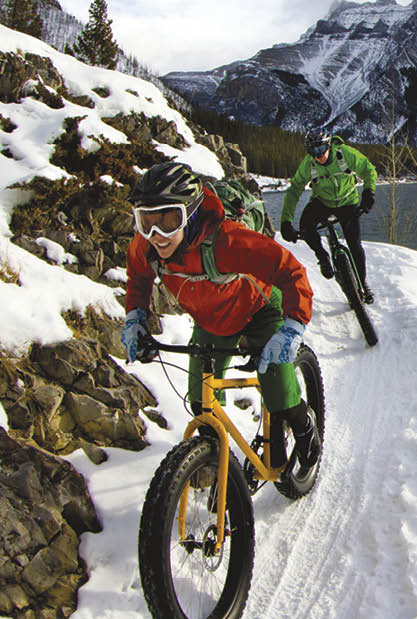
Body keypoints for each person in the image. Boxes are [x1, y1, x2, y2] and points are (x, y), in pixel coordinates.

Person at [121, 162, 320, 469]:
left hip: (260, 311)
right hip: (211, 322)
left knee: (279, 391)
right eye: (146, 222)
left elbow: (290, 270)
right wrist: (135, 317)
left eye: (169, 220)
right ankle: (216, 465)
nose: (157, 235)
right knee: (201, 404)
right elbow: (138, 276)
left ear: (189, 214)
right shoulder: (145, 246)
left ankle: (303, 424)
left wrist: (292, 326)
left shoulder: (227, 241)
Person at [279, 127, 378, 303]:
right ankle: (322, 256)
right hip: (322, 203)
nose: (318, 155)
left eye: (321, 149)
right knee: (306, 227)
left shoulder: (345, 154)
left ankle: (363, 284)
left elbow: (369, 170)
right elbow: (294, 190)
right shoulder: (308, 164)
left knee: (354, 244)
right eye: (313, 151)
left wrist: (369, 192)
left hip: (347, 202)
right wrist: (286, 221)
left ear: (329, 145)